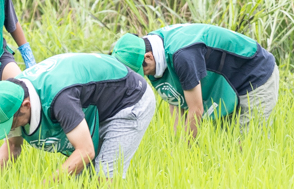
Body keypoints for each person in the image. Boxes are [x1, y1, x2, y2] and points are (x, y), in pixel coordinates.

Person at [0, 51, 156, 184]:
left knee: (105, 176)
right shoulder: (13, 95)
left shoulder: (60, 99)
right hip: (95, 101)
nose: (9, 129)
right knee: (82, 179)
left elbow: (86, 151)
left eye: (10, 123)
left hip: (129, 99)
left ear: (26, 106)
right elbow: (12, 146)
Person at [110, 22, 279, 137]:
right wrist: (179, 144)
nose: (145, 76)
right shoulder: (152, 50)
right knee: (227, 145)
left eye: (143, 71)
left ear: (148, 56)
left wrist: (188, 152)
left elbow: (196, 110)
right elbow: (176, 101)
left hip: (255, 74)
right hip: (223, 85)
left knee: (247, 144)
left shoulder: (182, 56)